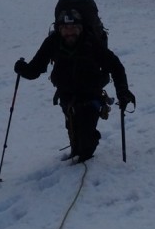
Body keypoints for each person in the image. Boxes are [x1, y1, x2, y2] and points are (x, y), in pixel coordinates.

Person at [14, 11, 135, 162]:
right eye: (65, 29)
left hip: (91, 95)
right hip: (66, 96)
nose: (69, 33)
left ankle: (85, 160)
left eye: (74, 29)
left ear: (81, 28)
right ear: (59, 29)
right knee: (75, 137)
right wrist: (22, 68)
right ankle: (77, 153)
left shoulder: (91, 42)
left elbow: (115, 66)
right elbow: (34, 70)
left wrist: (122, 91)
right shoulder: (53, 42)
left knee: (85, 144)